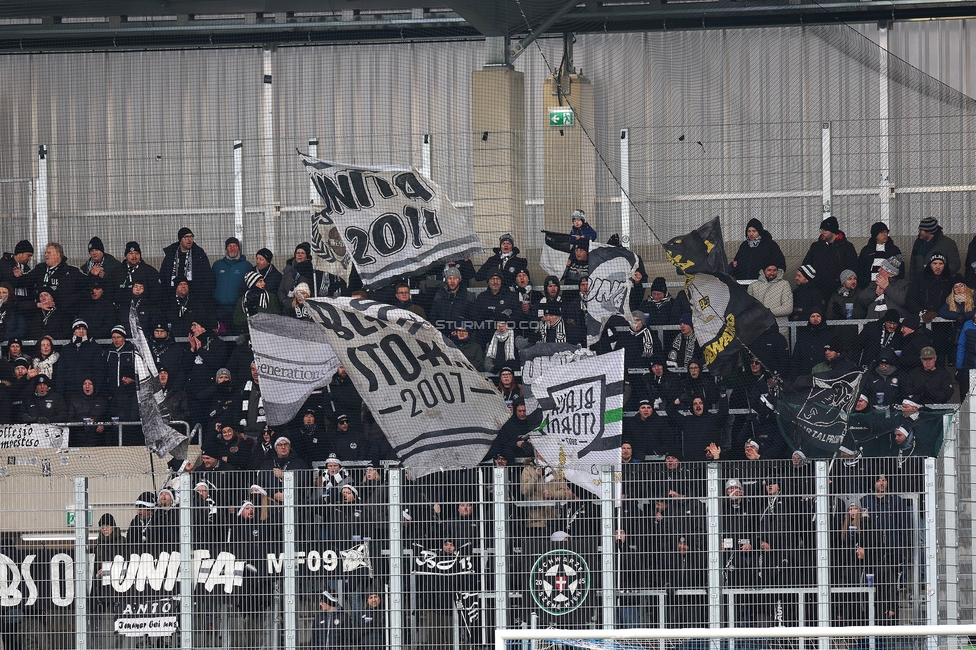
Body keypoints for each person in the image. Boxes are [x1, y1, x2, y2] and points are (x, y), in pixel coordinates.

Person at [11, 242, 84, 312]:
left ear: (58, 255)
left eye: (49, 253)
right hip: (40, 311)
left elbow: (86, 284)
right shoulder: (40, 269)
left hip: (62, 313)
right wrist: (18, 277)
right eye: (45, 253)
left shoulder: (71, 271)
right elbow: (25, 281)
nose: (46, 255)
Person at [800, 216, 858, 296]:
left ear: (833, 231)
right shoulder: (816, 246)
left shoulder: (846, 247)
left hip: (839, 288)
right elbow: (806, 265)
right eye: (821, 230)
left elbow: (852, 267)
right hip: (818, 288)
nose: (822, 232)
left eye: (825, 230)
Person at [212, 236, 253, 332]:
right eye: (230, 246)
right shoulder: (217, 265)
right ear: (226, 248)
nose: (232, 248)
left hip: (237, 308)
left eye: (235, 246)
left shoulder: (247, 265)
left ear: (239, 248)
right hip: (219, 308)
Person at [161, 227, 215, 296]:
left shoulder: (199, 255)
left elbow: (208, 278)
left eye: (191, 237)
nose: (189, 240)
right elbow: (163, 275)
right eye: (186, 237)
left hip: (194, 296)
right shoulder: (171, 254)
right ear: (180, 239)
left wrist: (201, 296)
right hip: (172, 295)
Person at [731, 218, 786, 283]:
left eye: (754, 231)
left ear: (759, 231)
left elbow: (780, 263)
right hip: (743, 282)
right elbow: (737, 260)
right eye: (749, 231)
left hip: (762, 283)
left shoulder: (770, 244)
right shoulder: (744, 245)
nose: (751, 234)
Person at [910, 216, 960, 282]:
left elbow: (955, 264)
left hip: (941, 282)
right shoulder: (918, 244)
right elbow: (913, 265)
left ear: (929, 231)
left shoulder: (948, 244)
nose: (918, 231)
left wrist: (941, 276)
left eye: (921, 230)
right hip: (920, 283)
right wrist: (912, 281)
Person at [857, 222, 904, 288]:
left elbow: (900, 269)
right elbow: (861, 269)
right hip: (869, 287)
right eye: (882, 232)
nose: (885, 234)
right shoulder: (866, 250)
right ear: (875, 235)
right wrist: (863, 285)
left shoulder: (894, 250)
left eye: (886, 232)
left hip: (889, 287)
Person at [427, 266, 471, 337]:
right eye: (450, 278)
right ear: (446, 280)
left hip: (461, 336)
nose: (452, 281)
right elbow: (433, 317)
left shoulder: (468, 296)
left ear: (459, 280)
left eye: (455, 278)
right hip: (442, 336)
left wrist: (460, 331)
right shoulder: (439, 295)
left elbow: (471, 319)